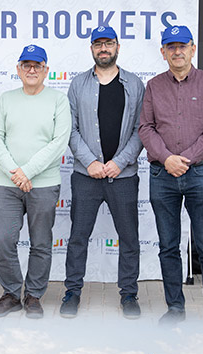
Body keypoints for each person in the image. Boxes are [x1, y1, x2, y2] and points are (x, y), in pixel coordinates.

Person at [139, 24, 203, 321]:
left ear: (193, 48)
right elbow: (145, 128)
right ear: (163, 53)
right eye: (171, 46)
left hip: (200, 174)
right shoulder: (153, 86)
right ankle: (175, 310)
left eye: (182, 45)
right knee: (168, 246)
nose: (177, 51)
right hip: (162, 176)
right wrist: (167, 159)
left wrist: (184, 159)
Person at [60, 25, 144, 319]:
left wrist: (120, 161)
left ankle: (129, 294)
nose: (103, 48)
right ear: (92, 48)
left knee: (130, 238)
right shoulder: (78, 84)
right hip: (86, 177)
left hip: (123, 176)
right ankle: (72, 292)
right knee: (78, 237)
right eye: (98, 44)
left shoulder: (134, 84)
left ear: (118, 46)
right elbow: (69, 129)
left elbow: (141, 129)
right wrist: (90, 161)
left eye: (109, 43)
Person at [0, 45, 71, 318]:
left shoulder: (58, 100)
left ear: (46, 69)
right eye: (26, 65)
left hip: (44, 184)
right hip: (9, 184)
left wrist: (28, 172)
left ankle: (34, 296)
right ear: (18, 69)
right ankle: (11, 293)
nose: (32, 70)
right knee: (3, 239)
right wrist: (15, 171)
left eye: (37, 65)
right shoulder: (6, 99)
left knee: (40, 243)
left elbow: (59, 143)